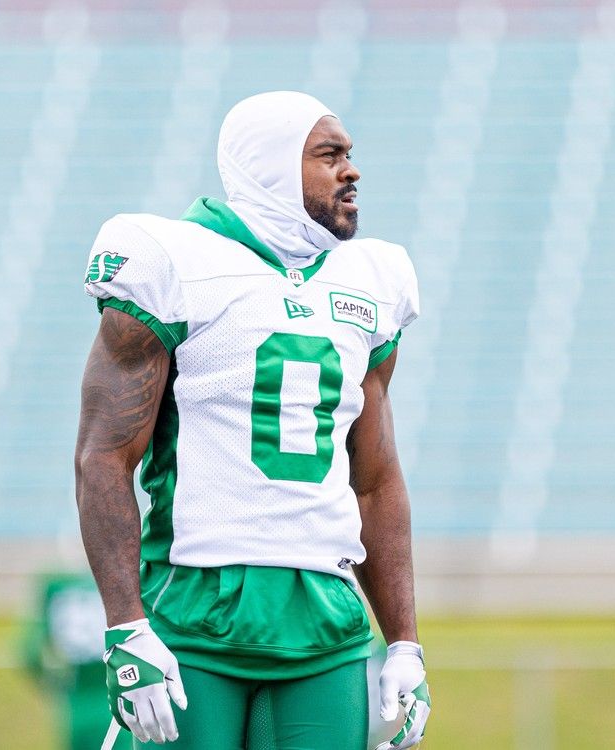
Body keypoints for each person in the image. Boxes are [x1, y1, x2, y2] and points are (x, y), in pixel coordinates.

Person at [74, 91, 430, 750]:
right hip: (191, 612)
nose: (351, 171)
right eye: (329, 156)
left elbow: (376, 480)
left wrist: (404, 642)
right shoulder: (174, 262)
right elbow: (104, 455)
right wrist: (126, 626)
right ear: (269, 168)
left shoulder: (369, 281)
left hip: (326, 623)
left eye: (350, 155)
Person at [21, 571, 128, 749]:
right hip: (119, 698)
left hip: (77, 699)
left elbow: (31, 653)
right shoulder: (124, 581)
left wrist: (57, 683)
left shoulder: (59, 587)